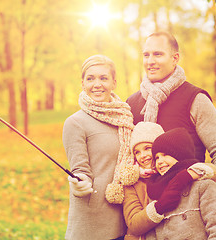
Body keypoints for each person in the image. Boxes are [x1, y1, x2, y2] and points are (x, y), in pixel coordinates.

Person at [126, 31, 216, 195]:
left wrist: (212, 197)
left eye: (158, 54)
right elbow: (124, 158)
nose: (150, 61)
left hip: (187, 205)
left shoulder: (195, 98)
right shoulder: (131, 104)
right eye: (146, 55)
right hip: (144, 207)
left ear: (175, 58)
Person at [62, 54, 137, 240]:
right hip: (93, 224)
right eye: (90, 78)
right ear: (82, 83)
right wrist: (79, 182)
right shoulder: (75, 123)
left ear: (114, 83)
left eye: (103, 78)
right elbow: (80, 168)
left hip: (127, 217)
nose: (97, 84)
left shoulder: (125, 118)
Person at [123, 122, 216, 240]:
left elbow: (212, 171)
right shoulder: (132, 182)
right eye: (136, 152)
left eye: (147, 148)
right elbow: (134, 224)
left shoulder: (182, 174)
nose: (142, 155)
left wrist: (183, 177)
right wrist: (160, 206)